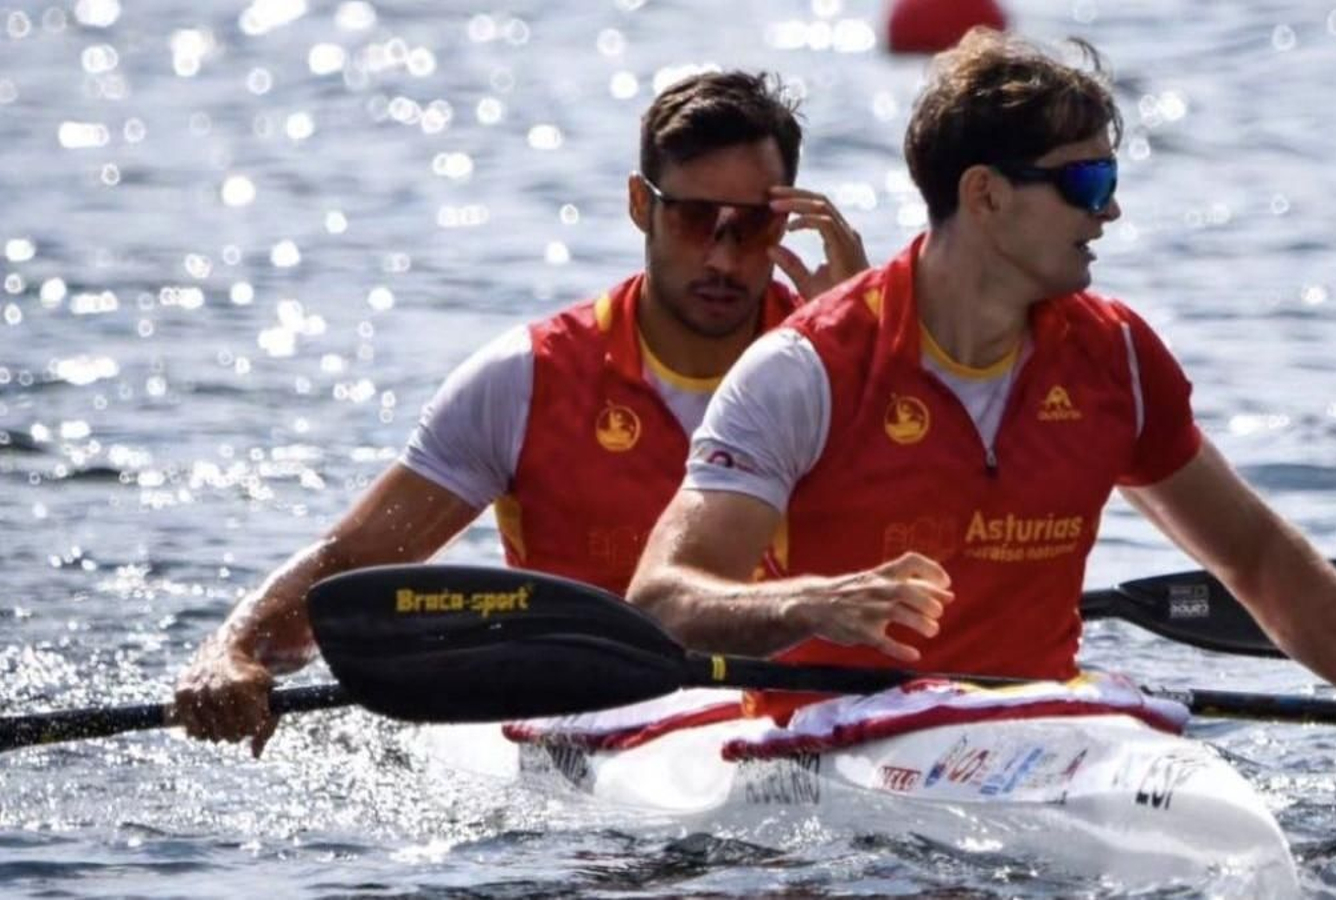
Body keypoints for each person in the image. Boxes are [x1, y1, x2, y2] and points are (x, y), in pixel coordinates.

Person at [625, 31, 1336, 747]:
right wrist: (816, 603)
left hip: (1037, 736)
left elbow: (1255, 559)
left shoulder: (1114, 356)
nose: (1107, 212)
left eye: (1109, 182)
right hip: (833, 746)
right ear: (987, 196)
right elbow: (663, 599)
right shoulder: (805, 370)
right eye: (1086, 182)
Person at [174, 71, 870, 756]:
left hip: (801, 724)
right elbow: (353, 561)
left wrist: (855, 357)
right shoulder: (524, 380)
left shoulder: (850, 365)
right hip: (597, 734)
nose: (721, 256)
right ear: (640, 205)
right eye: (693, 219)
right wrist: (233, 651)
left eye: (751, 228)